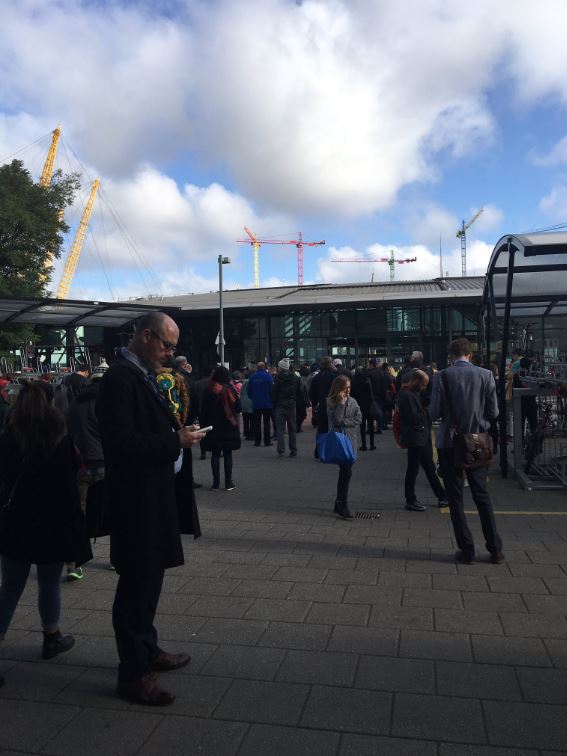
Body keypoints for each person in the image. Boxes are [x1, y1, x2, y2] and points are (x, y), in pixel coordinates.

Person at [96, 311, 206, 705]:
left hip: (151, 498)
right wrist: (175, 441)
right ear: (144, 336)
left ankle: (147, 650)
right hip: (135, 503)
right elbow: (122, 443)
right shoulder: (119, 380)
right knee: (135, 589)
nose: (170, 353)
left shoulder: (140, 375)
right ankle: (133, 674)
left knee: (149, 581)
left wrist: (177, 438)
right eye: (166, 344)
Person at [0, 382, 92, 686]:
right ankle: (51, 636)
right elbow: (68, 489)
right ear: (51, 404)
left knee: (10, 588)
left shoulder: (7, 439)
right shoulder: (59, 440)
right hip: (50, 525)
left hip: (14, 523)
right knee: (48, 582)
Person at [429, 338, 504, 565]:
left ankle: (467, 549)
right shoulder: (486, 375)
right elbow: (494, 411)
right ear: (470, 355)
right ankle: (495, 549)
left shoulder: (441, 376)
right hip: (478, 442)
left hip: (450, 442)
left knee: (455, 497)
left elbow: (433, 412)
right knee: (482, 495)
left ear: (451, 356)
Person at [65, 371, 107, 581]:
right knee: (113, 511)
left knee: (77, 515)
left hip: (80, 466)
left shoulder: (74, 405)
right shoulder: (105, 404)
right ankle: (117, 559)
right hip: (104, 464)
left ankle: (73, 563)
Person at [397, 370, 447, 512]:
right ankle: (411, 499)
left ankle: (442, 495)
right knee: (413, 469)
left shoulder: (411, 394)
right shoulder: (407, 396)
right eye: (423, 384)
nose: (424, 387)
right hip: (415, 437)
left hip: (420, 437)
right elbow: (414, 418)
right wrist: (427, 412)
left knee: (429, 468)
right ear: (416, 381)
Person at [200, 366, 241, 490]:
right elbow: (238, 408)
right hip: (228, 426)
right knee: (228, 454)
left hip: (213, 427)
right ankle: (228, 483)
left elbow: (204, 411)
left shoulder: (209, 390)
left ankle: (215, 483)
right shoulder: (231, 390)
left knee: (215, 454)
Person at [326, 375, 362, 520]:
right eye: (344, 388)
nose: (347, 391)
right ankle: (343, 505)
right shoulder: (331, 402)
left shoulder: (353, 401)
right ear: (338, 388)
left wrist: (345, 422)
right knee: (346, 472)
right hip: (339, 440)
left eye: (349, 387)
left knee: (345, 472)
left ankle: (338, 503)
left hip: (351, 439)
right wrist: (341, 404)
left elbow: (359, 418)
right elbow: (335, 420)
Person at [272, 358, 301, 457]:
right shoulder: (295, 378)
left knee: (280, 429)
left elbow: (274, 393)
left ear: (281, 367)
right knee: (292, 428)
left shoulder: (277, 378)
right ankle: (293, 450)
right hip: (291, 405)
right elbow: (299, 391)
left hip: (280, 405)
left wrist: (274, 404)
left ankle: (281, 449)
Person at [309, 357, 336, 456]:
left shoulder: (317, 377)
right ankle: (331, 450)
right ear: (330, 364)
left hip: (321, 405)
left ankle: (319, 450)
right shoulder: (333, 376)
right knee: (332, 428)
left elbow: (312, 393)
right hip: (332, 406)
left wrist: (315, 404)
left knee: (321, 429)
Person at [247, 361, 274, 447]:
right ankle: (267, 441)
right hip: (267, 403)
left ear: (257, 368)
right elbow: (271, 390)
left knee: (256, 423)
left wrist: (253, 397)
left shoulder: (252, 377)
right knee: (267, 423)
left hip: (256, 403)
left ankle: (257, 441)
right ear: (264, 367)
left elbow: (249, 391)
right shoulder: (268, 377)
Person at [350, 366, 375, 451]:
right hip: (368, 404)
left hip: (359, 405)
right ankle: (372, 444)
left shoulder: (353, 381)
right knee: (371, 425)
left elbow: (352, 394)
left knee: (362, 425)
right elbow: (371, 392)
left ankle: (364, 445)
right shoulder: (367, 379)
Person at [240, 368, 255, 440]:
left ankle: (246, 433)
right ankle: (252, 434)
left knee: (245, 419)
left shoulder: (244, 382)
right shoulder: (252, 382)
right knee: (252, 419)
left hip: (244, 402)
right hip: (251, 402)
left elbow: (241, 392)